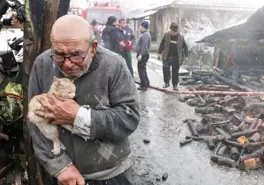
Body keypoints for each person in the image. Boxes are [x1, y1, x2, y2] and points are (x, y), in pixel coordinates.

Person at [28, 14, 139, 185]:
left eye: (76, 55)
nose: (67, 64)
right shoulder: (42, 64)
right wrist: (59, 166)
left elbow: (129, 117)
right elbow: (34, 121)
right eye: (58, 54)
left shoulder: (114, 65)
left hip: (110, 174)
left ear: (93, 47)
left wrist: (79, 117)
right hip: (62, 176)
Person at [158, 23, 188, 91]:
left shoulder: (181, 37)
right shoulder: (166, 35)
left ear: (177, 31)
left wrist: (186, 56)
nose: (172, 33)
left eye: (174, 32)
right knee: (165, 68)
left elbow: (185, 47)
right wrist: (159, 53)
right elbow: (162, 44)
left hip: (176, 57)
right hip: (167, 55)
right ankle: (166, 82)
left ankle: (175, 85)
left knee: (175, 71)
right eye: (171, 31)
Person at [135, 21, 151, 91]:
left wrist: (140, 55)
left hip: (143, 55)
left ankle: (143, 85)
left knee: (141, 70)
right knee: (143, 69)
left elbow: (144, 46)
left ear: (143, 27)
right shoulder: (144, 34)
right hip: (143, 54)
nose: (139, 27)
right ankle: (146, 82)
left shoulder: (145, 35)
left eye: (140, 26)